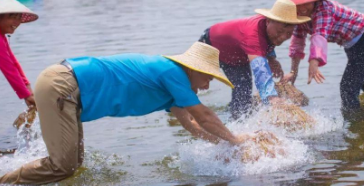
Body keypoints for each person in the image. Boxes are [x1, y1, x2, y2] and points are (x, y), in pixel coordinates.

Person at [0, 42, 248, 185]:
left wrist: (227, 149)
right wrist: (237, 141)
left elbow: (194, 125)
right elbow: (204, 115)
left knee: (73, 165)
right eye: (207, 78)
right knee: (62, 166)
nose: (206, 86)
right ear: (193, 70)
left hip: (67, 88)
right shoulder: (171, 72)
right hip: (64, 84)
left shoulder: (174, 88)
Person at [280, 0, 364, 110]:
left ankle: (353, 124)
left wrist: (314, 61)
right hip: (351, 43)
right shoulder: (299, 16)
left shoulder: (324, 9)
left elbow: (320, 34)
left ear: (315, 0)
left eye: (307, 2)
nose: (303, 8)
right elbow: (297, 42)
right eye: (299, 4)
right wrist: (293, 72)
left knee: (348, 86)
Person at [199, 0, 310, 119]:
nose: (282, 37)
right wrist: (271, 97)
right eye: (279, 31)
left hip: (236, 57)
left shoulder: (269, 29)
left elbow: (267, 41)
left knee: (243, 92)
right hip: (210, 46)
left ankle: (236, 123)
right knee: (194, 84)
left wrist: (272, 59)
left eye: (288, 34)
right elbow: (260, 69)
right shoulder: (253, 33)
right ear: (268, 21)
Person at [0, 0, 39, 109]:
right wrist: (26, 95)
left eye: (19, 19)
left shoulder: (2, 37)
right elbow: (8, 69)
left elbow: (13, 62)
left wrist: (28, 88)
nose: (17, 23)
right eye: (13, 17)